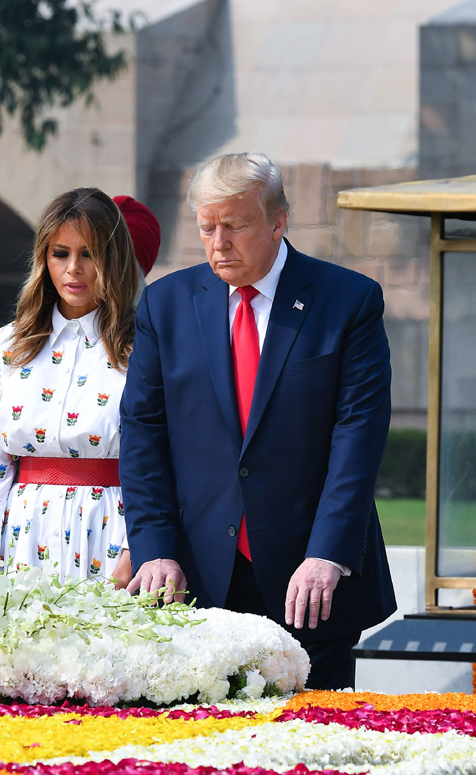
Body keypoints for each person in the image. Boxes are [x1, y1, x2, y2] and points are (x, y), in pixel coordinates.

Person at [120, 152, 396, 689]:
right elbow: (143, 434)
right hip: (196, 580)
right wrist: (153, 548)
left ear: (278, 220)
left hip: (311, 581)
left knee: (313, 747)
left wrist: (327, 554)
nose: (219, 242)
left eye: (235, 225)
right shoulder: (165, 306)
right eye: (207, 227)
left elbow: (358, 436)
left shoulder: (348, 301)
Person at [0, 188, 152, 582]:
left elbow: (163, 461)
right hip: (21, 533)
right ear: (44, 258)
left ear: (112, 259)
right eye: (60, 253)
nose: (73, 269)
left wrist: (140, 549)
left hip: (113, 532)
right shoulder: (9, 343)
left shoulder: (146, 345)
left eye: (89, 253)